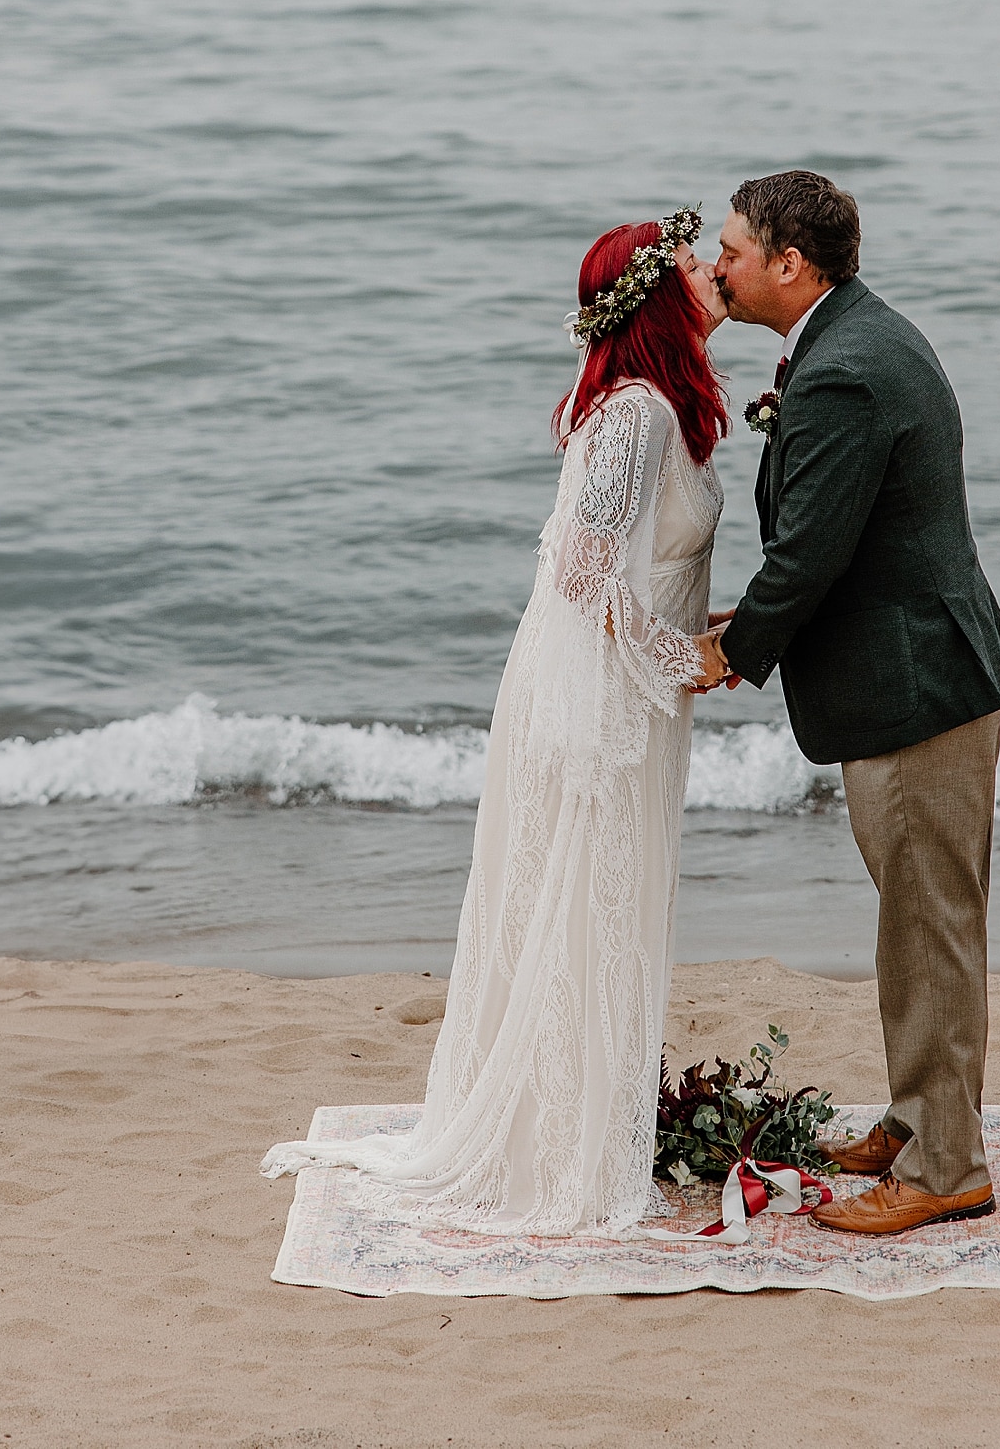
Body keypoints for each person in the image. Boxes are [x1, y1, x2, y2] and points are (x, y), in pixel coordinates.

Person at [262, 210, 729, 1236]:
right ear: (657, 295)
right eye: (695, 263)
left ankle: (586, 1116)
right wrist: (678, 656)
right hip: (601, 693)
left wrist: (713, 631)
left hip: (630, 680)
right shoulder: (641, 412)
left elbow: (641, 566)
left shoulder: (660, 408)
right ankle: (559, 1146)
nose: (713, 273)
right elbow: (580, 570)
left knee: (599, 893)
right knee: (582, 892)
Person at [696, 170, 1000, 1236]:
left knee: (931, 930)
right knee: (917, 924)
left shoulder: (843, 374)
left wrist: (732, 653)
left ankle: (945, 1172)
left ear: (792, 263)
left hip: (915, 686)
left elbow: (809, 554)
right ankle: (916, 1121)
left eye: (734, 250)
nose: (719, 267)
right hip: (920, 670)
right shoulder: (860, 334)